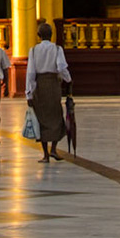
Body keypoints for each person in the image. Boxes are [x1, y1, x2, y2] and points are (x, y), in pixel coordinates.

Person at [26, 21, 71, 161]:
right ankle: (53, 149)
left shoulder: (33, 50)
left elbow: (30, 73)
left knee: (42, 118)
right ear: (52, 35)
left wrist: (29, 93)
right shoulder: (57, 49)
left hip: (39, 85)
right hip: (53, 85)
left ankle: (45, 154)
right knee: (56, 116)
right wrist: (68, 79)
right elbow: (61, 67)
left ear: (38, 35)